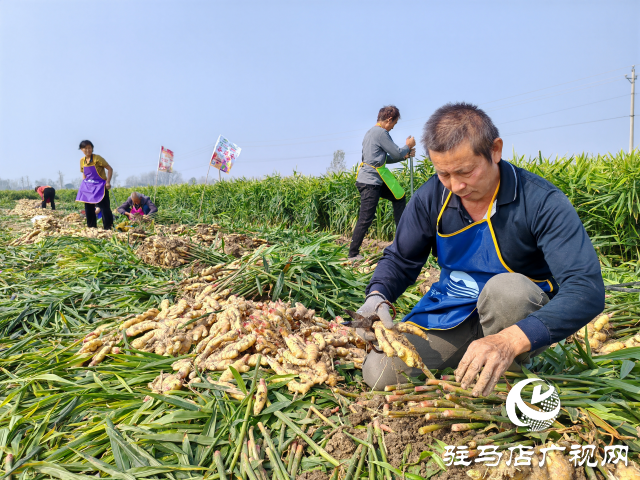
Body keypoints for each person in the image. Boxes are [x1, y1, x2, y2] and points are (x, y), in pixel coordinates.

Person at [358, 102, 604, 397]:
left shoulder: (540, 201)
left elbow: (586, 289)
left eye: (466, 172)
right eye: (444, 174)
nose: (456, 186)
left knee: (508, 291)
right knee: (379, 373)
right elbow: (400, 259)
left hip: (513, 316)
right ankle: (466, 356)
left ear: (495, 150)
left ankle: (510, 370)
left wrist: (510, 340)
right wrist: (377, 295)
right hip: (453, 309)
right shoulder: (431, 198)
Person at [348, 105, 416, 261]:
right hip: (370, 182)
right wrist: (408, 146)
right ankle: (352, 254)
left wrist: (405, 156)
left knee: (399, 197)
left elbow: (385, 158)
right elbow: (397, 152)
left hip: (373, 180)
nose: (392, 127)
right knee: (366, 217)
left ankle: (401, 243)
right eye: (394, 124)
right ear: (389, 119)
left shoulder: (370, 133)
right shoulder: (381, 133)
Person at [75, 140, 114, 229]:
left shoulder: (97, 158)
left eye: (89, 148)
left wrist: (108, 182)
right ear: (81, 149)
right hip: (89, 187)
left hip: (100, 186)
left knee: (105, 208)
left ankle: (108, 227)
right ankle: (91, 228)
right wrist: (84, 183)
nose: (88, 150)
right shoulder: (82, 160)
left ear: (92, 148)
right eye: (85, 148)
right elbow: (84, 172)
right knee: (88, 208)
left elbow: (109, 169)